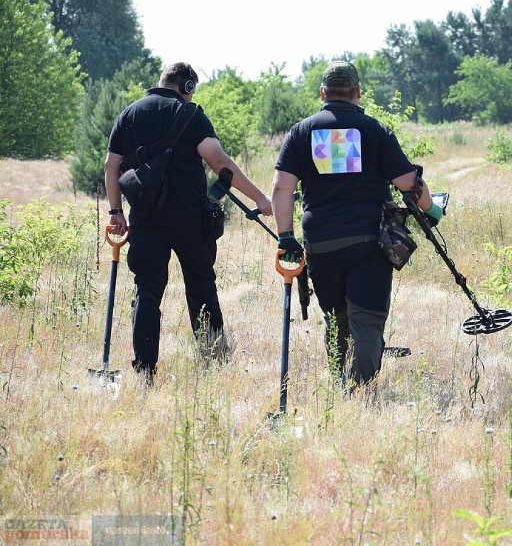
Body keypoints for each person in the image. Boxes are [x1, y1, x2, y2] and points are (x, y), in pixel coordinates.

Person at [271, 60, 444, 392]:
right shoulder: (374, 130)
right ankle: (361, 394)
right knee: (367, 323)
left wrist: (286, 237)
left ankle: (340, 386)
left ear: (323, 93)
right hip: (368, 242)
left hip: (321, 241)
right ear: (357, 92)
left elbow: (281, 188)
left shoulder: (301, 131)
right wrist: (432, 210)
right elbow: (409, 182)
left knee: (336, 321)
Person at [104, 61, 273, 386]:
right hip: (190, 221)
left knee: (148, 290)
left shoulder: (129, 114)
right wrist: (259, 198)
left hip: (146, 219)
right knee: (200, 285)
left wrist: (115, 212)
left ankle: (144, 372)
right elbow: (219, 162)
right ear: (188, 86)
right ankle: (213, 363)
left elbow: (111, 166)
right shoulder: (191, 115)